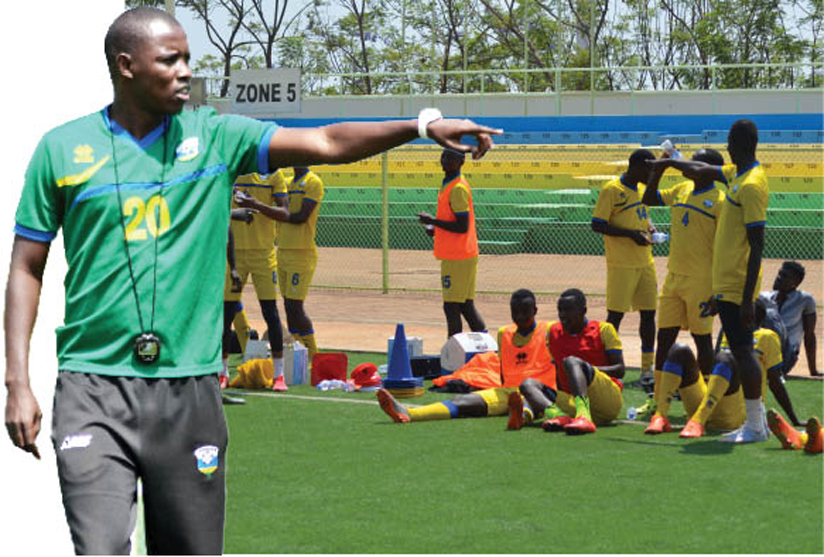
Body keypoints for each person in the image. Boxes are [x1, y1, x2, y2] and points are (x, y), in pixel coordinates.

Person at [3, 7, 500, 554]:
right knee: (98, 548)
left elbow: (328, 143)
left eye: (189, 58)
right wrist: (18, 382)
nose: (186, 71)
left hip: (189, 389)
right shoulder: (60, 149)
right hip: (92, 388)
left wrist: (420, 125)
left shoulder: (217, 137)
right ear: (126, 65)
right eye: (170, 60)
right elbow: (27, 266)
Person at [648, 119, 770, 443]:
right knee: (739, 350)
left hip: (737, 282)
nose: (727, 146)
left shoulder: (752, 184)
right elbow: (702, 168)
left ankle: (755, 426)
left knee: (742, 352)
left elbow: (758, 244)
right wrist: (671, 161)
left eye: (730, 140)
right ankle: (751, 423)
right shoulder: (736, 175)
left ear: (737, 143)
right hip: (723, 283)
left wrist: (747, 298)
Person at [377, 289, 554, 424]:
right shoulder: (504, 333)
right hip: (507, 392)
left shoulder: (549, 330)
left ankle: (520, 417)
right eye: (515, 312)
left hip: (540, 391)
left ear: (535, 310)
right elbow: (503, 372)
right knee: (463, 401)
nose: (520, 317)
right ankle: (409, 414)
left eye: (525, 312)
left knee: (529, 401)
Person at [642, 148, 726, 405]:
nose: (689, 165)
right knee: (664, 336)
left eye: (696, 162)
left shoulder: (720, 200)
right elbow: (649, 198)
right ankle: (658, 399)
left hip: (702, 281)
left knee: (702, 339)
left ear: (709, 169)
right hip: (674, 277)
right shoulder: (681, 189)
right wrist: (658, 169)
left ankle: (708, 400)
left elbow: (725, 248)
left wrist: (719, 289)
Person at [645, 298, 801, 437]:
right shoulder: (729, 333)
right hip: (709, 402)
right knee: (679, 350)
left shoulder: (767, 337)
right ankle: (661, 416)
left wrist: (794, 419)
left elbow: (775, 381)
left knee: (726, 357)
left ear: (751, 315)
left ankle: (699, 420)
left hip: (735, 414)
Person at [591, 149, 657, 406]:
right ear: (638, 166)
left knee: (649, 315)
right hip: (621, 264)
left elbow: (641, 215)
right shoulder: (612, 189)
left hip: (645, 262)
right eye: (649, 170)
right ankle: (606, 368)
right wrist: (630, 235)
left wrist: (650, 228)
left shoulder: (641, 191)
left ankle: (646, 370)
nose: (651, 175)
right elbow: (597, 224)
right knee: (614, 318)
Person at [510, 288, 626, 435]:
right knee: (527, 384)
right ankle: (558, 415)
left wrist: (586, 370)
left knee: (571, 362)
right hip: (572, 402)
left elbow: (620, 369)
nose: (563, 315)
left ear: (583, 310)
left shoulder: (604, 329)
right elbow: (558, 372)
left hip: (607, 402)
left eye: (568, 310)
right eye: (560, 311)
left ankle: (584, 415)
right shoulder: (553, 332)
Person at [237, 167, 323, 365]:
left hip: (302, 252)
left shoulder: (313, 182)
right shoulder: (288, 181)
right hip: (283, 250)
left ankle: (314, 355)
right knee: (288, 306)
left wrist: (270, 211)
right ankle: (299, 351)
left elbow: (301, 216)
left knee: (295, 307)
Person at [222, 171, 290, 392]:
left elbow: (284, 213)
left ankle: (279, 375)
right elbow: (217, 207)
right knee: (226, 314)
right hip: (235, 254)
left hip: (263, 254)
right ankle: (222, 373)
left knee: (270, 312)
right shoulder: (234, 172)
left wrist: (256, 204)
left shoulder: (274, 176)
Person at [417, 149, 486, 338]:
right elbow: (453, 220)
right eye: (443, 156)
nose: (444, 160)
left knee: (451, 306)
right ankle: (486, 346)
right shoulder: (448, 184)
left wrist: (433, 221)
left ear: (461, 162)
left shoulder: (458, 188)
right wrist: (436, 229)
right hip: (458, 254)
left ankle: (453, 349)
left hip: (458, 256)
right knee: (464, 305)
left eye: (450, 158)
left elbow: (462, 226)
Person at [758, 261, 820, 377]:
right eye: (779, 274)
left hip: (786, 354)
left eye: (785, 276)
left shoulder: (804, 300)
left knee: (770, 313)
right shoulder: (764, 297)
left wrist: (813, 371)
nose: (779, 278)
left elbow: (810, 335)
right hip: (763, 350)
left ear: (795, 282)